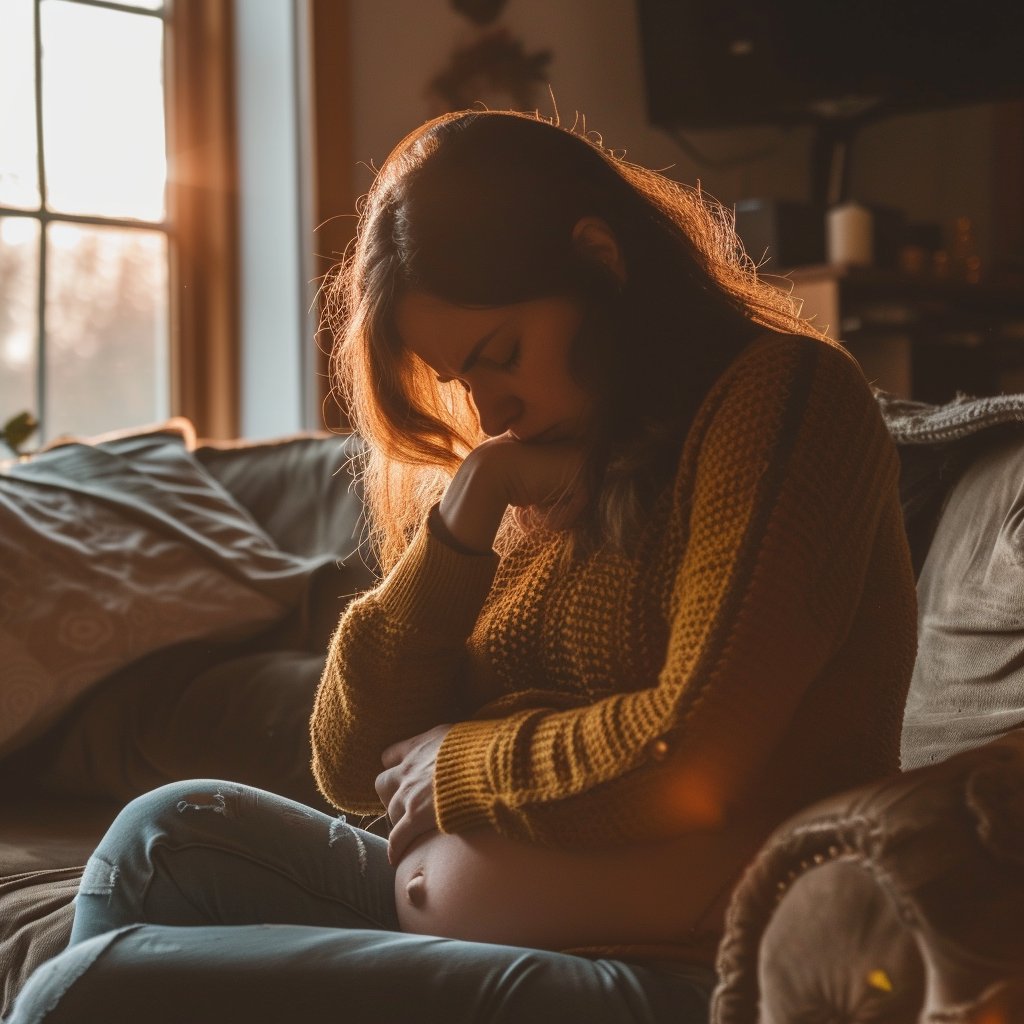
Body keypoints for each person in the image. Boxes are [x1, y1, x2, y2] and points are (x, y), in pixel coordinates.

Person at [6, 110, 917, 1024]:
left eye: (503, 355)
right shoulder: (544, 465)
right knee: (165, 834)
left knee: (76, 993)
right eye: (461, 378)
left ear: (599, 258)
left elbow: (690, 755)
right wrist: (469, 508)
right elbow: (350, 759)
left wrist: (456, 763)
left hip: (678, 972)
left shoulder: (781, 401)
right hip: (478, 932)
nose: (489, 412)